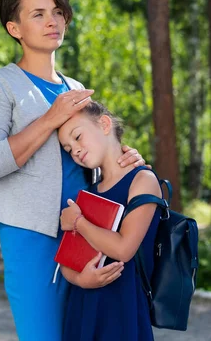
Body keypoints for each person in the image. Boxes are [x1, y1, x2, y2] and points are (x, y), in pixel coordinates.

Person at [0, 0, 144, 341]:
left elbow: (95, 153)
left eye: (57, 12)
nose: (53, 21)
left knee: (85, 333)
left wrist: (122, 158)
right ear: (14, 28)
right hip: (30, 235)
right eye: (38, 14)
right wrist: (50, 118)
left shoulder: (76, 88)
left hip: (86, 228)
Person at [58, 101, 162, 341]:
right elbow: (67, 262)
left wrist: (79, 223)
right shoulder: (87, 194)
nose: (74, 150)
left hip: (122, 309)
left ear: (104, 124)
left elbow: (123, 249)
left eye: (78, 137)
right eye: (67, 148)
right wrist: (80, 280)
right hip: (82, 306)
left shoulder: (142, 180)